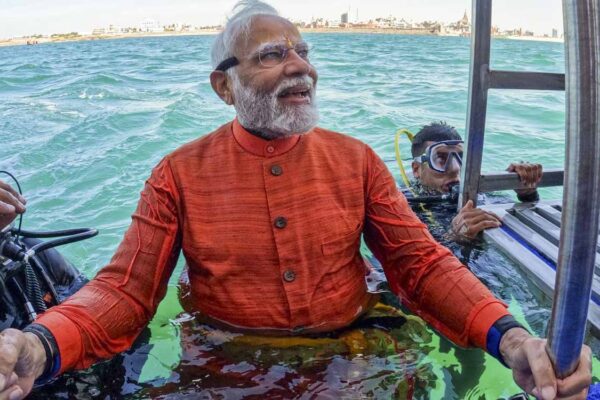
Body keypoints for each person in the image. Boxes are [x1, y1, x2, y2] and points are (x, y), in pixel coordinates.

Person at [0, 2, 591, 399]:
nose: (301, 66)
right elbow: (124, 292)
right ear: (223, 86)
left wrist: (510, 337)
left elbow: (422, 263)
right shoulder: (176, 174)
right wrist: (40, 343)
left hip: (359, 354)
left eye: (303, 52)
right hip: (227, 364)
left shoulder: (355, 159)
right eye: (273, 55)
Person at [410, 121, 543, 240]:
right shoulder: (408, 209)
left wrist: (528, 193)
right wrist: (455, 236)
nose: (455, 168)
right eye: (440, 159)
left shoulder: (482, 196)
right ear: (417, 169)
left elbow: (535, 227)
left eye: (461, 157)